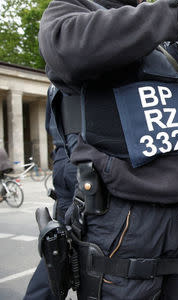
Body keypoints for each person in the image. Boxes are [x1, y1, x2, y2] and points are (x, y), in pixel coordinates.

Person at [37, 0, 178, 299]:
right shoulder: (74, 9)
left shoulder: (166, 44)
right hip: (121, 221)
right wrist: (170, 14)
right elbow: (66, 47)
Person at [23, 85, 80, 300]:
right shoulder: (92, 65)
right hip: (82, 164)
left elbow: (52, 126)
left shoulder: (54, 83)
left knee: (57, 252)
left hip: (64, 163)